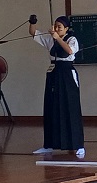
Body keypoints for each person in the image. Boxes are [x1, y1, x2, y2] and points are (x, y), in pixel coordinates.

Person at [30, 14, 85, 157]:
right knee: (51, 107)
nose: (56, 28)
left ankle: (78, 145)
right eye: (55, 26)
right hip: (54, 73)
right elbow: (33, 33)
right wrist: (32, 22)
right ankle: (49, 144)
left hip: (67, 74)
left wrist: (57, 38)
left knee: (70, 108)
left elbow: (69, 51)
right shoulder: (51, 38)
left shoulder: (72, 39)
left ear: (66, 29)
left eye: (59, 27)